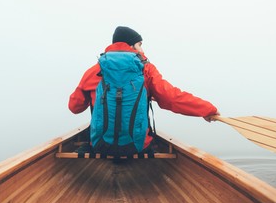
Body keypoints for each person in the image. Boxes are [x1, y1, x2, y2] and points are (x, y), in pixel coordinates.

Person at [68, 26, 220, 153]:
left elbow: (74, 108)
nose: (142, 49)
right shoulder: (146, 70)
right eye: (140, 44)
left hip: (99, 146)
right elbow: (172, 98)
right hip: (137, 147)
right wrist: (207, 109)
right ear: (132, 45)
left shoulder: (94, 71)